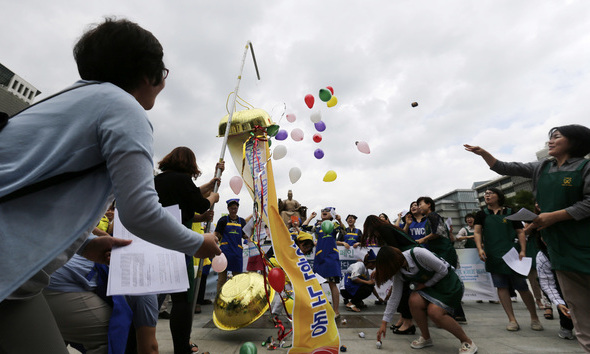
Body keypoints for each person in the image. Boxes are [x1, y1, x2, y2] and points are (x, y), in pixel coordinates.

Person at [0, 18, 221, 354]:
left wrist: (85, 243)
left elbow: (31, 196)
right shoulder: (123, 107)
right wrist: (197, 243)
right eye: (162, 74)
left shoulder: (59, 103)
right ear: (149, 75)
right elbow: (140, 212)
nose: (163, 83)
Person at [466, 125, 590, 349]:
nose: (550, 141)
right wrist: (484, 154)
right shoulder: (542, 166)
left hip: (584, 243)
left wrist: (554, 216)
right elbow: (505, 167)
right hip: (559, 250)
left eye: (557, 137)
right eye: (550, 138)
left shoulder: (585, 167)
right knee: (579, 310)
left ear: (575, 142)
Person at [154, 146, 222, 354]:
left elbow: (189, 195)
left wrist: (209, 184)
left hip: (155, 243)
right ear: (189, 164)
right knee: (182, 299)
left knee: (152, 299)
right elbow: (200, 204)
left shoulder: (157, 180)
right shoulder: (183, 181)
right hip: (177, 243)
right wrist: (213, 198)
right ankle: (181, 347)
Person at [375, 246, 477, 354]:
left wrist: (425, 284)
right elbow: (395, 296)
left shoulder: (418, 254)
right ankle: (426, 338)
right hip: (430, 288)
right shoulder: (399, 272)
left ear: (392, 263)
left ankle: (467, 342)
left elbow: (443, 270)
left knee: (434, 312)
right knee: (414, 300)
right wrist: (384, 323)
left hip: (449, 284)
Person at [472, 187, 542, 332]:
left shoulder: (511, 212)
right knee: (501, 286)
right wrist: (480, 249)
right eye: (485, 194)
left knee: (522, 286)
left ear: (499, 196)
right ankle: (512, 319)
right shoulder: (481, 214)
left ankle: (534, 317)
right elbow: (477, 232)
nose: (487, 196)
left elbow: (520, 232)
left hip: (512, 254)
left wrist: (522, 250)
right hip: (493, 255)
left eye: (490, 193)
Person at [361, 215, 418, 335]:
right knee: (401, 291)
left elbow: (393, 252)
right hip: (403, 258)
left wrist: (381, 268)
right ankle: (403, 318)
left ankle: (408, 323)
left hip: (407, 259)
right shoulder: (386, 229)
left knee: (404, 291)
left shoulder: (384, 230)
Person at [302, 207, 344, 318]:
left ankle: (336, 311)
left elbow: (343, 231)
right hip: (320, 259)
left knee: (332, 284)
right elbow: (304, 227)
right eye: (322, 211)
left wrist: (339, 220)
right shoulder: (317, 226)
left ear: (332, 215)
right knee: (317, 285)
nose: (323, 211)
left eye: (327, 210)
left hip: (331, 258)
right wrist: (310, 217)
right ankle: (319, 309)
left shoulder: (334, 225)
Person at [536, 233, 576, 340]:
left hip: (582, 279)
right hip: (561, 284)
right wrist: (558, 303)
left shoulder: (578, 247)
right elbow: (547, 284)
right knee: (563, 300)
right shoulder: (543, 256)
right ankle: (566, 326)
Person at [214, 199, 247, 292]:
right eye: (232, 208)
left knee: (237, 279)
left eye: (235, 208)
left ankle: (236, 299)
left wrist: (252, 228)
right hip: (224, 253)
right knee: (221, 280)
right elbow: (217, 234)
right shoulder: (223, 220)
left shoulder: (242, 221)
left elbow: (245, 236)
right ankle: (219, 300)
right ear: (228, 209)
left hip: (237, 254)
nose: (234, 210)